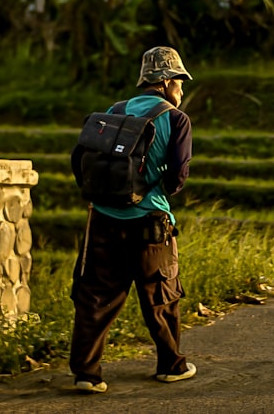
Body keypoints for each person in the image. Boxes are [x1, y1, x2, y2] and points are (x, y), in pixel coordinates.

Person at [69, 46, 197, 394]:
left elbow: (79, 159)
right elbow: (177, 178)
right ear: (168, 81)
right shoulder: (175, 119)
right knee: (161, 293)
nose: (181, 91)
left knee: (96, 296)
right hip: (151, 222)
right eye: (180, 83)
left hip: (103, 219)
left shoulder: (113, 112)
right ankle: (170, 365)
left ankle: (87, 374)